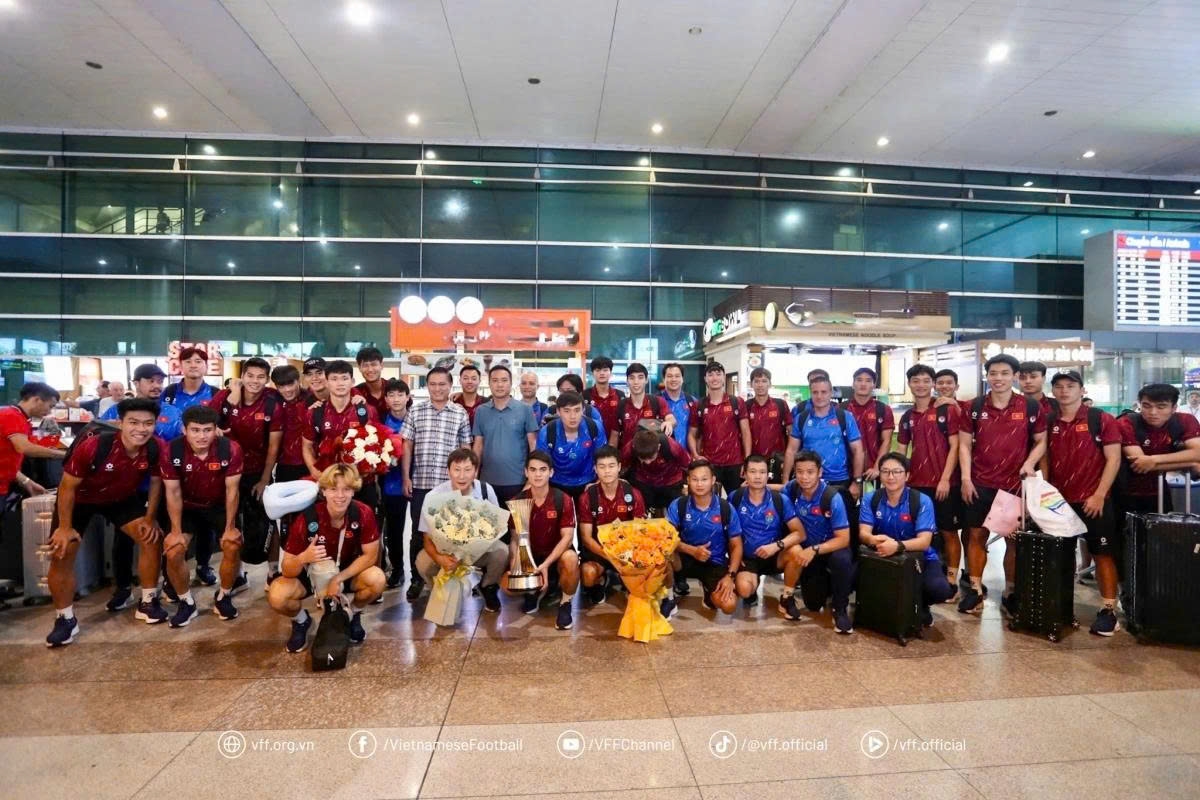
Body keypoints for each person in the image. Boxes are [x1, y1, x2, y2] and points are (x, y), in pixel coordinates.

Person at [45, 398, 167, 646]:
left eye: (148, 423)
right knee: (63, 550)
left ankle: (147, 602)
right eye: (133, 422)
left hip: (119, 498)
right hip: (80, 499)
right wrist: (65, 527)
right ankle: (65, 619)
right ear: (120, 423)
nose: (141, 429)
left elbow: (156, 482)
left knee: (151, 538)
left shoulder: (156, 447)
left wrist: (149, 517)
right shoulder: (94, 446)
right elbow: (67, 486)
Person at [957, 353, 1047, 616]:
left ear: (1015, 376)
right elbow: (964, 444)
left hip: (1013, 485)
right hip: (979, 483)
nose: (998, 378)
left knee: (1013, 541)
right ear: (987, 376)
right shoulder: (973, 407)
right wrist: (965, 478)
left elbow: (1041, 441)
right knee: (976, 536)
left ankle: (1011, 592)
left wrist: (1030, 463)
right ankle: (975, 591)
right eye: (993, 373)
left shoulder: (1030, 407)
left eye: (1005, 373)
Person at [269, 464, 386, 653]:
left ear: (353, 491)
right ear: (323, 491)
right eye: (333, 489)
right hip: (312, 571)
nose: (340, 495)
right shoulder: (307, 518)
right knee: (277, 595)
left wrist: (337, 579)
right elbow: (288, 569)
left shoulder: (363, 513)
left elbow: (370, 556)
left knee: (377, 579)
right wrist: (303, 558)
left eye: (346, 489)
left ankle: (352, 614)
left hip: (347, 570)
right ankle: (301, 621)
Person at [1041, 370, 1123, 635]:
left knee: (1102, 555)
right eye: (1059, 386)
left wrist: (1099, 494)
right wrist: (1047, 492)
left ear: (1082, 389)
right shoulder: (1048, 420)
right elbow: (1044, 457)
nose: (1064, 391)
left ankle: (1109, 610)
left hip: (1094, 500)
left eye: (1070, 386)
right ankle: (1062, 608)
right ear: (1053, 391)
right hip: (1059, 503)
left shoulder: (1100, 419)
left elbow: (1114, 459)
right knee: (1061, 557)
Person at [99, 364, 185, 608]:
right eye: (150, 380)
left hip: (162, 486)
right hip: (127, 488)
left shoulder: (172, 411)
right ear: (136, 383)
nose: (156, 385)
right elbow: (101, 436)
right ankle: (124, 587)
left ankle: (169, 583)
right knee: (123, 539)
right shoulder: (117, 411)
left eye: (160, 380)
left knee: (166, 535)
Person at [160, 405, 244, 627]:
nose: (201, 436)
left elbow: (232, 491)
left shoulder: (230, 449)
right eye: (195, 430)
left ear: (215, 430)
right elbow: (173, 492)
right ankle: (186, 602)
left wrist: (230, 527)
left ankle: (224, 596)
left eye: (207, 430)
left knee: (232, 544)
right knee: (174, 550)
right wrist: (176, 531)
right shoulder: (171, 451)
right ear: (184, 430)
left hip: (218, 505)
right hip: (187, 507)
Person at [859, 452, 956, 628]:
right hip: (881, 554)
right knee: (850, 575)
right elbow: (863, 533)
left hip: (919, 558)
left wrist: (897, 546)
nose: (891, 477)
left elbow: (924, 541)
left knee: (940, 590)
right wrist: (873, 540)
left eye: (897, 471)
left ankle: (921, 604)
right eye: (885, 471)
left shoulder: (921, 501)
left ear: (907, 475)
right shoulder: (870, 499)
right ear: (879, 474)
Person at [400, 366, 472, 601]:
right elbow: (407, 446)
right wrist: (406, 476)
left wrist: (465, 483)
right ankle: (416, 580)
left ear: (450, 386)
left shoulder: (459, 412)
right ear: (427, 385)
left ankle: (450, 577)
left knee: (451, 534)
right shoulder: (416, 411)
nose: (438, 388)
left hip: (450, 486)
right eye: (433, 384)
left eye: (443, 384)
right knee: (418, 535)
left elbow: (466, 450)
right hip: (421, 483)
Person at [897, 364, 964, 597]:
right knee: (921, 533)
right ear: (910, 384)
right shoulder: (907, 416)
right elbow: (902, 450)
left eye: (926, 380)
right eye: (916, 380)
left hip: (945, 484)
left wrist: (945, 479)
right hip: (917, 484)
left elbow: (956, 446)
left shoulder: (947, 410)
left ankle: (952, 582)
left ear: (933, 383)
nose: (921, 385)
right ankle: (923, 576)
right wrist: (900, 480)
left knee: (948, 532)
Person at [414, 448, 506, 612]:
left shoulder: (486, 490)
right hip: (447, 554)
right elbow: (427, 539)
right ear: (448, 471)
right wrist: (440, 558)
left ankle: (488, 587)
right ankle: (441, 590)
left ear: (476, 472)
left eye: (467, 470)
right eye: (456, 470)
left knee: (501, 551)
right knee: (423, 562)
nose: (461, 476)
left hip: (478, 551)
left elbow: (496, 526)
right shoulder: (433, 496)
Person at [504, 450, 580, 631]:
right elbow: (515, 539)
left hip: (555, 557)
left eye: (543, 469)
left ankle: (565, 603)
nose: (538, 474)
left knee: (570, 559)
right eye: (533, 469)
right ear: (526, 472)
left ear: (551, 472)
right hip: (530, 557)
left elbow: (567, 538)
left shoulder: (563, 499)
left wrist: (545, 565)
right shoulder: (517, 501)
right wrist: (516, 562)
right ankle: (533, 591)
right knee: (506, 585)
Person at [783, 450, 855, 633]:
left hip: (830, 549)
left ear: (819, 472)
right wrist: (758, 485)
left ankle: (840, 609)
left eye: (810, 472)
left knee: (842, 559)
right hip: (809, 553)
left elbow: (844, 539)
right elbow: (778, 493)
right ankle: (820, 590)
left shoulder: (832, 498)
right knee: (813, 604)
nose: (804, 477)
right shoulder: (792, 489)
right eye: (799, 472)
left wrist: (814, 549)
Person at [782, 374, 864, 525]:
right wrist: (786, 480)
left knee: (842, 526)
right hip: (808, 482)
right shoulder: (801, 418)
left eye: (824, 392)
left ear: (831, 393)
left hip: (840, 481)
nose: (819, 396)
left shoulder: (844, 417)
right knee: (810, 525)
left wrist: (857, 482)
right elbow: (791, 450)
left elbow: (858, 450)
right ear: (810, 393)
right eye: (815, 392)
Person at [730, 455, 805, 617]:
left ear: (768, 475)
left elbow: (800, 533)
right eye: (753, 471)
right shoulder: (735, 497)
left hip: (775, 555)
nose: (757, 476)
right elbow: (725, 533)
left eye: (762, 472)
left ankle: (787, 598)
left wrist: (776, 546)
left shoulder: (780, 500)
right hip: (748, 559)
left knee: (797, 551)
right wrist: (734, 556)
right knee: (744, 590)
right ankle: (751, 587)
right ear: (744, 474)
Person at [665, 459, 741, 615]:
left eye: (704, 479)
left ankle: (709, 593)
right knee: (664, 554)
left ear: (713, 480)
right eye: (695, 479)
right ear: (688, 480)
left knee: (729, 605)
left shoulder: (726, 508)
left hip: (714, 561)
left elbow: (737, 545)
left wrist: (730, 576)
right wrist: (692, 551)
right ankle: (669, 598)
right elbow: (666, 539)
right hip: (684, 558)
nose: (699, 484)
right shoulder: (678, 505)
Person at [577, 445, 646, 605]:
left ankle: (626, 580)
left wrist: (623, 556)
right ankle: (600, 582)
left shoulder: (633, 494)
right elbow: (586, 539)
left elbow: (639, 532)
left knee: (644, 575)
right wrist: (610, 556)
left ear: (619, 467)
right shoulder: (587, 497)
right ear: (595, 469)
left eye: (611, 466)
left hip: (626, 550)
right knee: (588, 574)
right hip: (599, 551)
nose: (607, 471)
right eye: (602, 467)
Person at [1117, 383, 1200, 516]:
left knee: (1162, 534)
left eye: (1161, 407)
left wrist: (1153, 459)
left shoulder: (1185, 420)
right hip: (1123, 492)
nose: (1153, 412)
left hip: (1160, 491)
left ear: (1174, 408)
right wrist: (1190, 462)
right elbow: (1140, 464)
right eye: (1146, 406)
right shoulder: (1127, 422)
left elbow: (1197, 453)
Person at [303, 359, 380, 491]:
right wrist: (314, 471)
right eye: (334, 379)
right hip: (329, 482)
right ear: (326, 382)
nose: (340, 383)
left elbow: (377, 445)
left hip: (361, 482)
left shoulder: (367, 411)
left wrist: (368, 469)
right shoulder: (315, 412)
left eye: (344, 378)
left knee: (364, 512)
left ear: (352, 382)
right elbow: (307, 446)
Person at [472, 365, 538, 507]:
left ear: (511, 382)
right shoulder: (481, 411)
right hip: (487, 482)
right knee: (490, 527)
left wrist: (531, 478)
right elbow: (478, 446)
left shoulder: (525, 409)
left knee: (519, 527)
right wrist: (473, 473)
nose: (499, 384)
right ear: (489, 383)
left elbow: (533, 445)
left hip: (518, 481)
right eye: (495, 380)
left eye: (504, 380)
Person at [688, 361, 750, 494]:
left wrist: (747, 461)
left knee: (737, 501)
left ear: (723, 377)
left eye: (718, 374)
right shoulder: (698, 405)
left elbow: (746, 432)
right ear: (705, 379)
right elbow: (692, 434)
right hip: (710, 464)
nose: (714, 378)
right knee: (709, 503)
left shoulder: (736, 402)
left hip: (735, 463)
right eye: (710, 374)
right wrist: (695, 455)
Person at [535, 391, 607, 500]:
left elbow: (603, 459)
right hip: (556, 484)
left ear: (583, 410)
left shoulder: (595, 427)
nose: (572, 416)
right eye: (567, 411)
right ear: (558, 411)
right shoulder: (547, 432)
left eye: (577, 410)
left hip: (588, 482)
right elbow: (540, 464)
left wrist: (599, 483)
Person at [0, 382, 63, 501]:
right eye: (50, 406)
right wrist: (65, 454)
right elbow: (24, 448)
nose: (49, 412)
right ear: (37, 400)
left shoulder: (21, 418)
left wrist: (27, 482)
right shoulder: (12, 415)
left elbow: (7, 459)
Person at [379, 379, 411, 589]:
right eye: (392, 395)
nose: (396, 399)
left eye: (401, 394)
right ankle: (398, 570)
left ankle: (420, 572)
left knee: (421, 531)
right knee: (394, 531)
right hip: (391, 485)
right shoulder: (380, 424)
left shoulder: (418, 418)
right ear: (386, 399)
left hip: (418, 482)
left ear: (408, 397)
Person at [843, 368, 895, 484]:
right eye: (859, 380)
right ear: (853, 384)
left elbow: (886, 441)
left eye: (868, 380)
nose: (863, 384)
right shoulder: (841, 409)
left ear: (873, 385)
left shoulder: (883, 409)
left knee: (873, 502)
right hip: (845, 472)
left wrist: (877, 467)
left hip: (874, 472)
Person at [623, 428, 690, 516]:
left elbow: (687, 463)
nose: (647, 462)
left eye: (651, 457)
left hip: (671, 481)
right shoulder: (630, 448)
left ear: (658, 447)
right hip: (644, 481)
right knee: (644, 514)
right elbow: (620, 465)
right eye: (642, 459)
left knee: (677, 513)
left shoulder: (671, 446)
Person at [609, 362, 675, 449]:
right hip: (627, 458)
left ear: (646, 380)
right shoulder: (621, 406)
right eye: (632, 378)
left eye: (640, 377)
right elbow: (614, 435)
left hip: (652, 458)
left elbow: (671, 418)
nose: (636, 382)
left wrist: (669, 423)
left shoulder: (657, 401)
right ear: (627, 381)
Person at [745, 367, 793, 484]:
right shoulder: (746, 406)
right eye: (756, 381)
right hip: (754, 461)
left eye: (764, 381)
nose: (760, 385)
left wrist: (789, 457)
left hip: (777, 460)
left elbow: (791, 431)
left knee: (776, 495)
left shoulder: (780, 404)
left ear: (770, 384)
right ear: (751, 384)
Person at [584, 356, 624, 438]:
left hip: (615, 442)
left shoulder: (620, 395)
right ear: (593, 373)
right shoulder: (585, 395)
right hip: (591, 442)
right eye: (598, 370)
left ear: (611, 373)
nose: (602, 373)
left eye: (605, 370)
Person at [659, 362, 696, 448]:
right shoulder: (656, 401)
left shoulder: (692, 402)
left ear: (682, 379)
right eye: (669, 376)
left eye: (677, 376)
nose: (673, 379)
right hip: (662, 457)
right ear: (663, 379)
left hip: (688, 456)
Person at [352, 346, 391, 421]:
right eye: (365, 365)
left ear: (382, 365)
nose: (370, 369)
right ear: (359, 367)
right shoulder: (355, 393)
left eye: (374, 364)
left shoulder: (394, 388)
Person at [451, 364, 487, 430]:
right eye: (465, 378)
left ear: (479, 381)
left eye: (474, 379)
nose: (469, 381)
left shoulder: (486, 403)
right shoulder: (453, 403)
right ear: (460, 381)